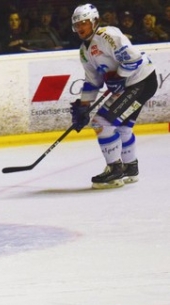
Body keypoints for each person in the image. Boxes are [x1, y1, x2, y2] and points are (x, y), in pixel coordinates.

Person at [69, 4, 158, 189]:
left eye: (84, 23)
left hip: (141, 81)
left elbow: (134, 59)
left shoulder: (108, 35)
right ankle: (130, 168)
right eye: (77, 25)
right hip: (134, 84)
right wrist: (83, 106)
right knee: (123, 127)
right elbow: (93, 81)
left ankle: (114, 170)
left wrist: (119, 76)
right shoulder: (84, 51)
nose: (80, 28)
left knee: (101, 122)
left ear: (94, 21)